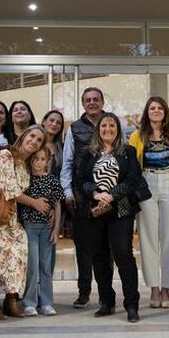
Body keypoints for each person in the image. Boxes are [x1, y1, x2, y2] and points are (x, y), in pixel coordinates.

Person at [81, 112, 148, 322]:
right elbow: (80, 179)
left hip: (121, 210)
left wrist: (112, 195)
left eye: (111, 126)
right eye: (103, 126)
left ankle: (131, 305)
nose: (107, 129)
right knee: (99, 257)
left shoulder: (128, 151)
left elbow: (133, 179)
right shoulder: (88, 153)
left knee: (123, 255)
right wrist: (95, 193)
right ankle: (106, 301)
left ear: (117, 129)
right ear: (98, 130)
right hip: (95, 211)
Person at [0, 125, 48, 319]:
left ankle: (11, 300)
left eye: (39, 140)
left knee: (19, 255)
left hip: (13, 219)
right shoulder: (5, 155)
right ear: (24, 135)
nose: (34, 141)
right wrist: (36, 204)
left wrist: (50, 208)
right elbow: (9, 190)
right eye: (32, 136)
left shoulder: (25, 164)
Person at [128, 96, 169, 309]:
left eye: (160, 108)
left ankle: (166, 289)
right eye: (152, 108)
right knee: (148, 239)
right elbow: (132, 166)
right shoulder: (136, 136)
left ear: (165, 112)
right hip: (146, 184)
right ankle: (153, 288)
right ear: (147, 112)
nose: (156, 111)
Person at [61, 87, 106, 308]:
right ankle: (84, 292)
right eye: (88, 100)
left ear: (102, 101)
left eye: (96, 99)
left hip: (108, 194)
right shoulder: (74, 129)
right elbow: (67, 162)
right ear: (83, 103)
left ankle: (106, 293)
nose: (92, 103)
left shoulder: (111, 123)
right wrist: (68, 191)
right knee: (84, 247)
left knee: (107, 246)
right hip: (81, 195)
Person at [19, 147, 64, 316]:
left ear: (48, 161)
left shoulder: (52, 180)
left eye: (42, 159)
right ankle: (29, 302)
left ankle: (46, 302)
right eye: (35, 159)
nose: (38, 163)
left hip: (46, 228)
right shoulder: (26, 180)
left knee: (45, 265)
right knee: (32, 265)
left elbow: (57, 205)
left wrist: (56, 229)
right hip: (29, 227)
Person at [40, 109, 65, 176]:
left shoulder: (63, 148)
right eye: (51, 120)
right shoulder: (35, 143)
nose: (54, 124)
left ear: (60, 128)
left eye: (58, 123)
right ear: (44, 122)